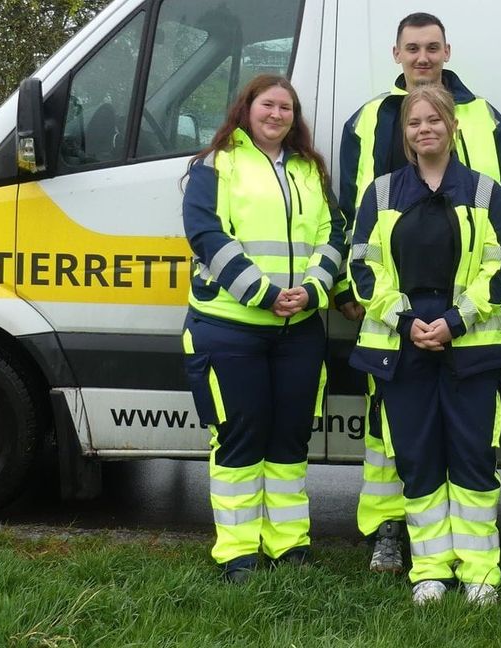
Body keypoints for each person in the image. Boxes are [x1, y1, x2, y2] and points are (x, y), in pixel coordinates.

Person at [337, 13, 501, 574]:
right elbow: (356, 223)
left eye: (432, 47)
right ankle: (408, 544)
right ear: (397, 53)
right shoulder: (369, 121)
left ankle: (475, 566)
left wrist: (464, 314)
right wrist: (377, 303)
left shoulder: (486, 120)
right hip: (396, 318)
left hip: (469, 317)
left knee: (469, 449)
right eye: (412, 48)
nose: (423, 57)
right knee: (400, 438)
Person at [179, 75, 345, 584]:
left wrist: (313, 290)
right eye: (268, 105)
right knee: (239, 440)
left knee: (289, 442)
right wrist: (266, 294)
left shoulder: (309, 169)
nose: (277, 115)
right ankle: (237, 553)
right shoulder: (216, 163)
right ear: (246, 109)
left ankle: (289, 545)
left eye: (287, 108)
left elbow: (333, 233)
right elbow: (207, 234)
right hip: (231, 326)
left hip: (299, 330)